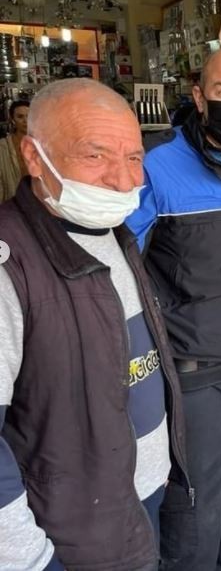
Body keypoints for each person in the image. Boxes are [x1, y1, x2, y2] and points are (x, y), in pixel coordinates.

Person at [0, 79, 189, 569]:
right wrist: (32, 559)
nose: (124, 181)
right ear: (34, 156)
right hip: (69, 533)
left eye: (133, 158)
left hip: (134, 501)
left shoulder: (114, 233)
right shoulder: (9, 265)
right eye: (96, 155)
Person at [126, 46, 221, 571]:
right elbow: (121, 264)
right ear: (198, 96)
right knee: (193, 512)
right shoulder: (157, 165)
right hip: (194, 378)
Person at [0, 99, 30, 202]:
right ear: (12, 119)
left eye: (28, 116)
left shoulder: (42, 143)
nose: (25, 120)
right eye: (20, 117)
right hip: (11, 202)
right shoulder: (3, 147)